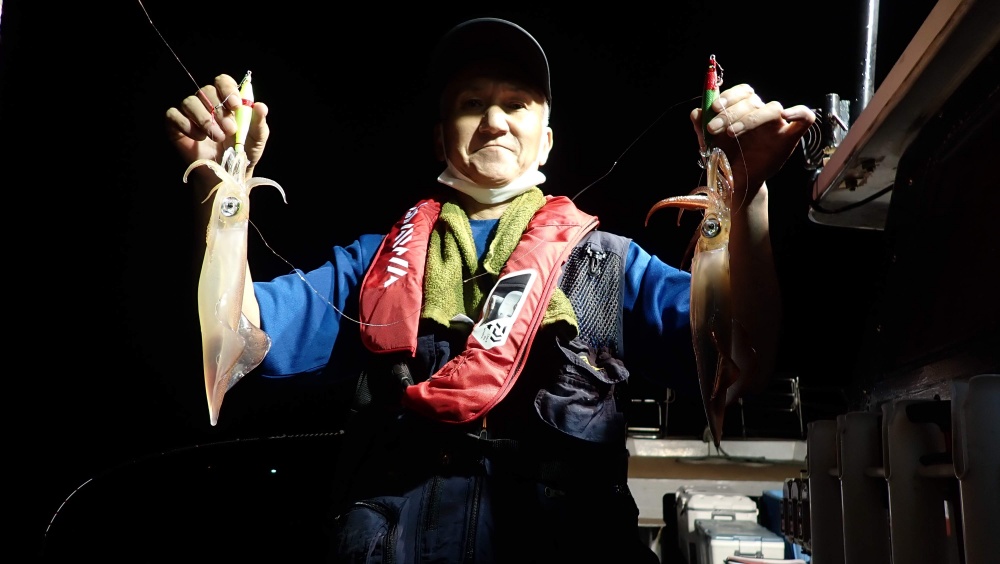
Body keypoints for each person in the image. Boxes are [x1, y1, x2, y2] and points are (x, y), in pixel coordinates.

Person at [165, 17, 815, 564]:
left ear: (547, 139)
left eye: (518, 103)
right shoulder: (374, 264)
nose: (495, 120)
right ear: (440, 135)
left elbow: (742, 355)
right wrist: (219, 186)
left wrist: (747, 198)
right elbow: (236, 334)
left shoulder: (609, 265)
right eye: (472, 103)